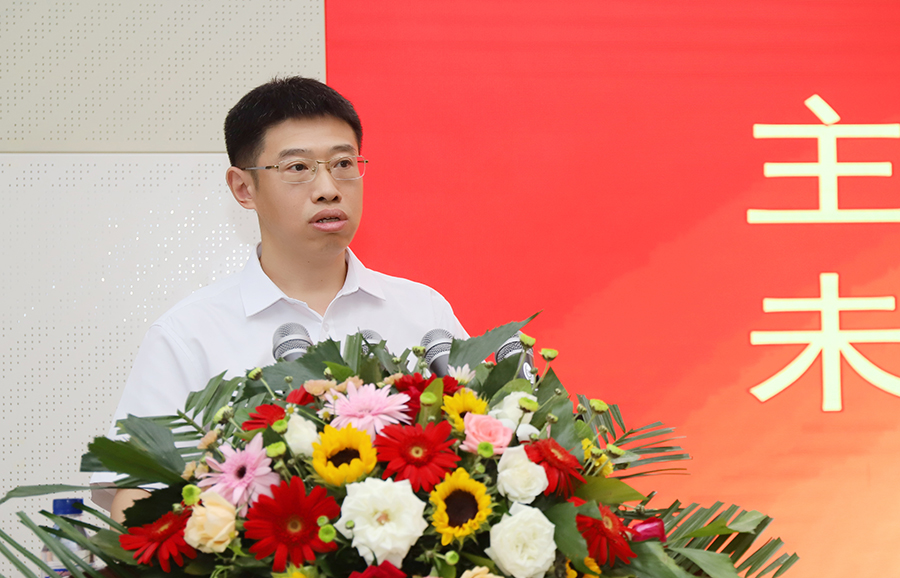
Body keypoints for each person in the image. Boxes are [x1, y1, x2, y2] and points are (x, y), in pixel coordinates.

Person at [92, 77, 467, 518]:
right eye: (298, 167)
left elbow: (484, 443)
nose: (328, 188)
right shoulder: (189, 335)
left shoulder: (423, 312)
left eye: (343, 163)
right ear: (243, 188)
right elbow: (135, 500)